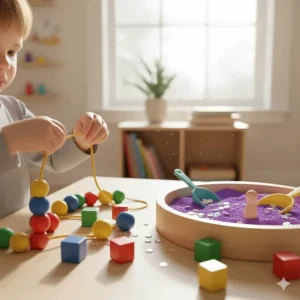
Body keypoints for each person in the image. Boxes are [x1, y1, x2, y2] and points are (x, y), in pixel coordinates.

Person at [0, 0, 109, 218]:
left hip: (16, 235)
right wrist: (9, 141)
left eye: (12, 51)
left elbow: (52, 158)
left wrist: (82, 139)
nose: (5, 62)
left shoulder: (14, 109)